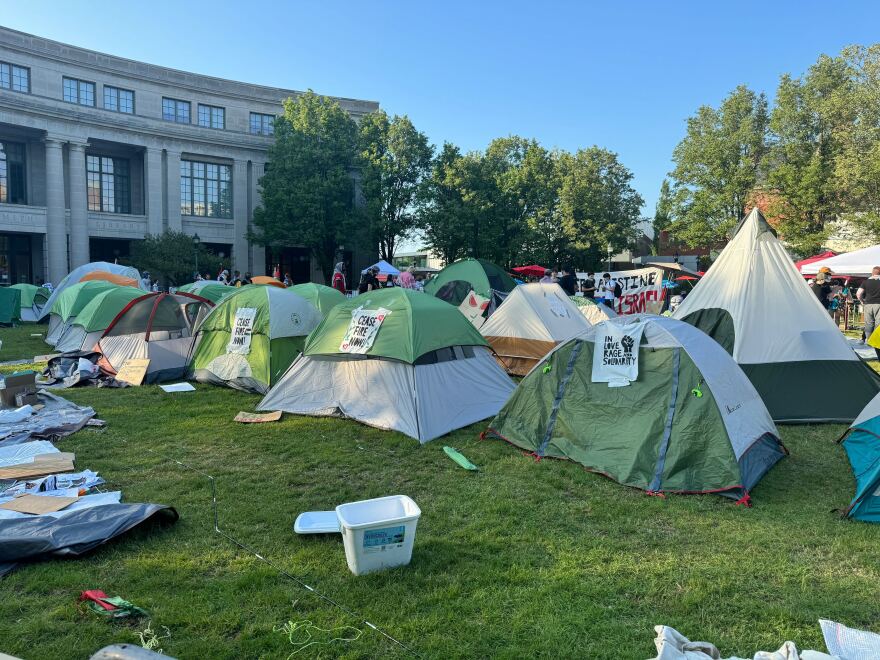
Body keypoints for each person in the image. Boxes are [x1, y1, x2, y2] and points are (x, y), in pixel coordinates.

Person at [857, 267, 880, 354]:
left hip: (868, 304)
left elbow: (858, 293)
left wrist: (862, 301)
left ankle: (868, 340)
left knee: (868, 323)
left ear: (872, 273)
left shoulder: (865, 282)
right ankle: (877, 341)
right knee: (878, 324)